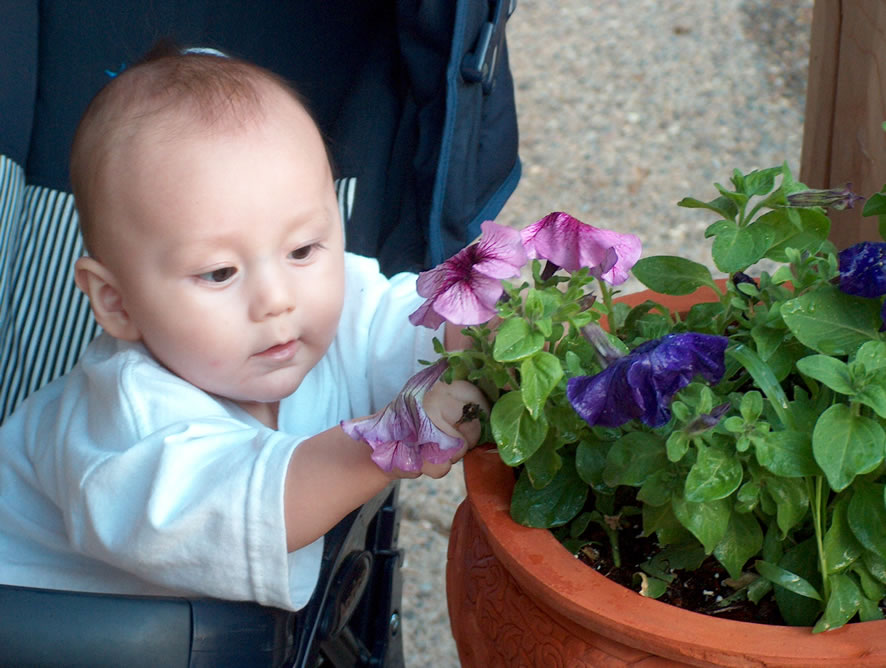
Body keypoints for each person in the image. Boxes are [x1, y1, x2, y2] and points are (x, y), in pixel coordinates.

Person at [0, 46, 486, 611]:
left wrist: (488, 322)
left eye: (302, 249)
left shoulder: (332, 303)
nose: (276, 299)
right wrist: (386, 441)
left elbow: (407, 322)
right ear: (118, 303)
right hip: (48, 620)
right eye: (220, 272)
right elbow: (236, 506)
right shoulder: (124, 422)